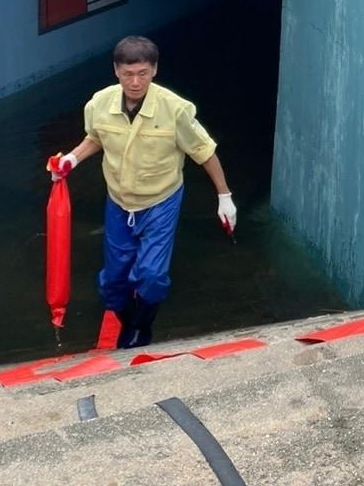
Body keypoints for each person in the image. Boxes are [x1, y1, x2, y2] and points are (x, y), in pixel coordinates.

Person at [49, 35, 237, 348]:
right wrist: (72, 158)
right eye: (127, 74)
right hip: (120, 201)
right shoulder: (99, 104)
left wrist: (224, 196)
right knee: (112, 281)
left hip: (161, 199)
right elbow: (96, 137)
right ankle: (132, 319)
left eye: (142, 74)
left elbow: (204, 151)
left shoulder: (175, 110)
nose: (135, 82)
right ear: (116, 71)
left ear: (154, 70)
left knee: (151, 275)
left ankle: (140, 330)